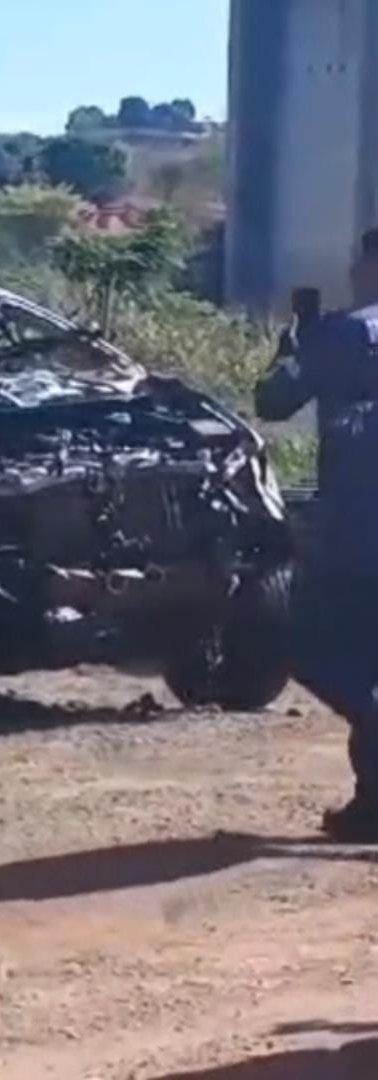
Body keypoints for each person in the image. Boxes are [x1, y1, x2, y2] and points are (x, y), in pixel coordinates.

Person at [255, 228, 378, 842]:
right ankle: (371, 807)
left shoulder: (344, 333)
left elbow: (272, 401)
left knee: (312, 649)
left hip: (360, 533)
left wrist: (292, 345)